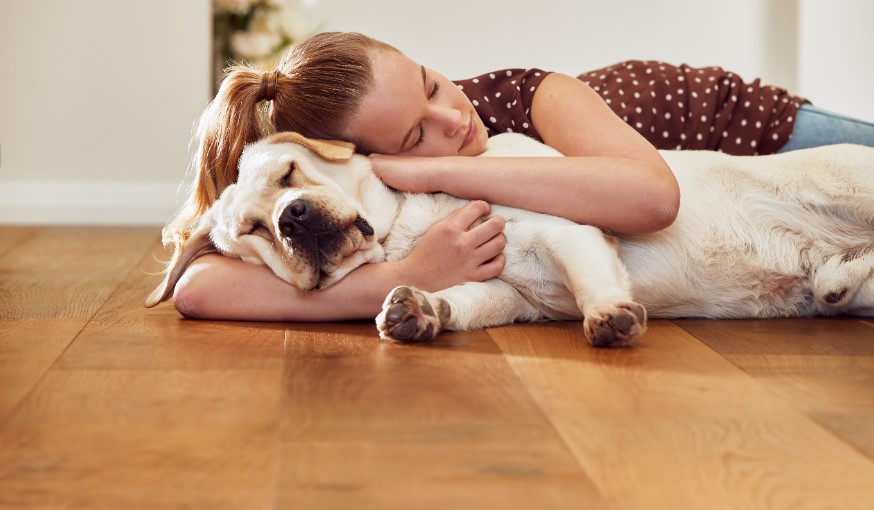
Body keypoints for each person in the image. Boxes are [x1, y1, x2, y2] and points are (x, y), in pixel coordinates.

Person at [165, 31, 874, 322]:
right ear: (354, 169)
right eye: (415, 134)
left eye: (432, 84)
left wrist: (432, 164)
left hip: (758, 137)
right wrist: (397, 277)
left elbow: (654, 199)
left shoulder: (519, 100)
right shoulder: (371, 194)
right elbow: (196, 289)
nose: (452, 120)